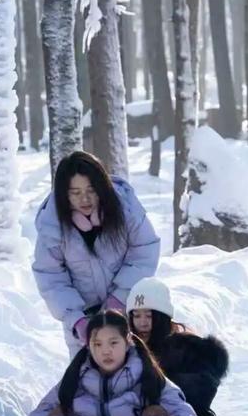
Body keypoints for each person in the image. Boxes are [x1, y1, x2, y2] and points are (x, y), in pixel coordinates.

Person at [14, 310, 201, 416]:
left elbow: (184, 415)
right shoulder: (75, 378)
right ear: (88, 345)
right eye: (98, 344)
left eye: (113, 343)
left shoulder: (149, 376)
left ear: (127, 341)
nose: (105, 351)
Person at [33, 151, 160, 357]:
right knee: (87, 382)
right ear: (63, 194)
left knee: (134, 375)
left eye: (91, 190)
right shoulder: (52, 225)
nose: (85, 199)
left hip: (129, 311)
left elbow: (145, 250)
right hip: (83, 321)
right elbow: (51, 278)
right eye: (75, 192)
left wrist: (119, 299)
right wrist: (77, 320)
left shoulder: (126, 209)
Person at [126, 277, 228, 416]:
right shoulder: (129, 349)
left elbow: (203, 390)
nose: (142, 323)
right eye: (136, 316)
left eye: (149, 316)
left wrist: (163, 388)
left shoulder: (185, 348)